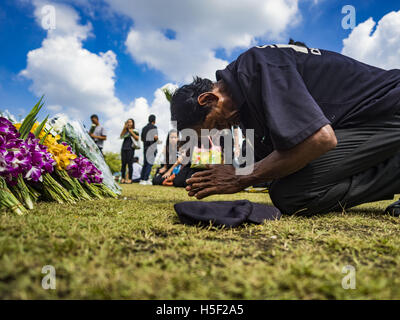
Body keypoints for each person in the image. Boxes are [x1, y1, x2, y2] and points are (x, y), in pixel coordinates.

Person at [170, 41, 400, 216]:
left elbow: (320, 139)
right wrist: (227, 173)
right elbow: (268, 163)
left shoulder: (257, 65)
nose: (223, 130)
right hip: (368, 124)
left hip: (390, 110)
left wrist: (240, 178)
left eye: (216, 125)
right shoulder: (246, 107)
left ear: (209, 99)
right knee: (288, 192)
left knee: (291, 194)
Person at [140, 114, 158, 185]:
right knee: (149, 163)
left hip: (145, 147)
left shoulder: (144, 128)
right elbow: (155, 137)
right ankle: (145, 179)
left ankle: (142, 179)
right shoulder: (154, 127)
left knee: (145, 163)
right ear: (154, 120)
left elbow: (141, 139)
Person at [119, 118, 139, 184]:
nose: (129, 123)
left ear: (133, 123)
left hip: (131, 148)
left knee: (130, 164)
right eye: (128, 122)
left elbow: (137, 138)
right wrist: (124, 128)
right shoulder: (125, 131)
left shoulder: (135, 130)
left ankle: (130, 179)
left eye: (130, 122)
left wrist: (131, 131)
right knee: (123, 164)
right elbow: (121, 136)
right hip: (124, 148)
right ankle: (123, 178)